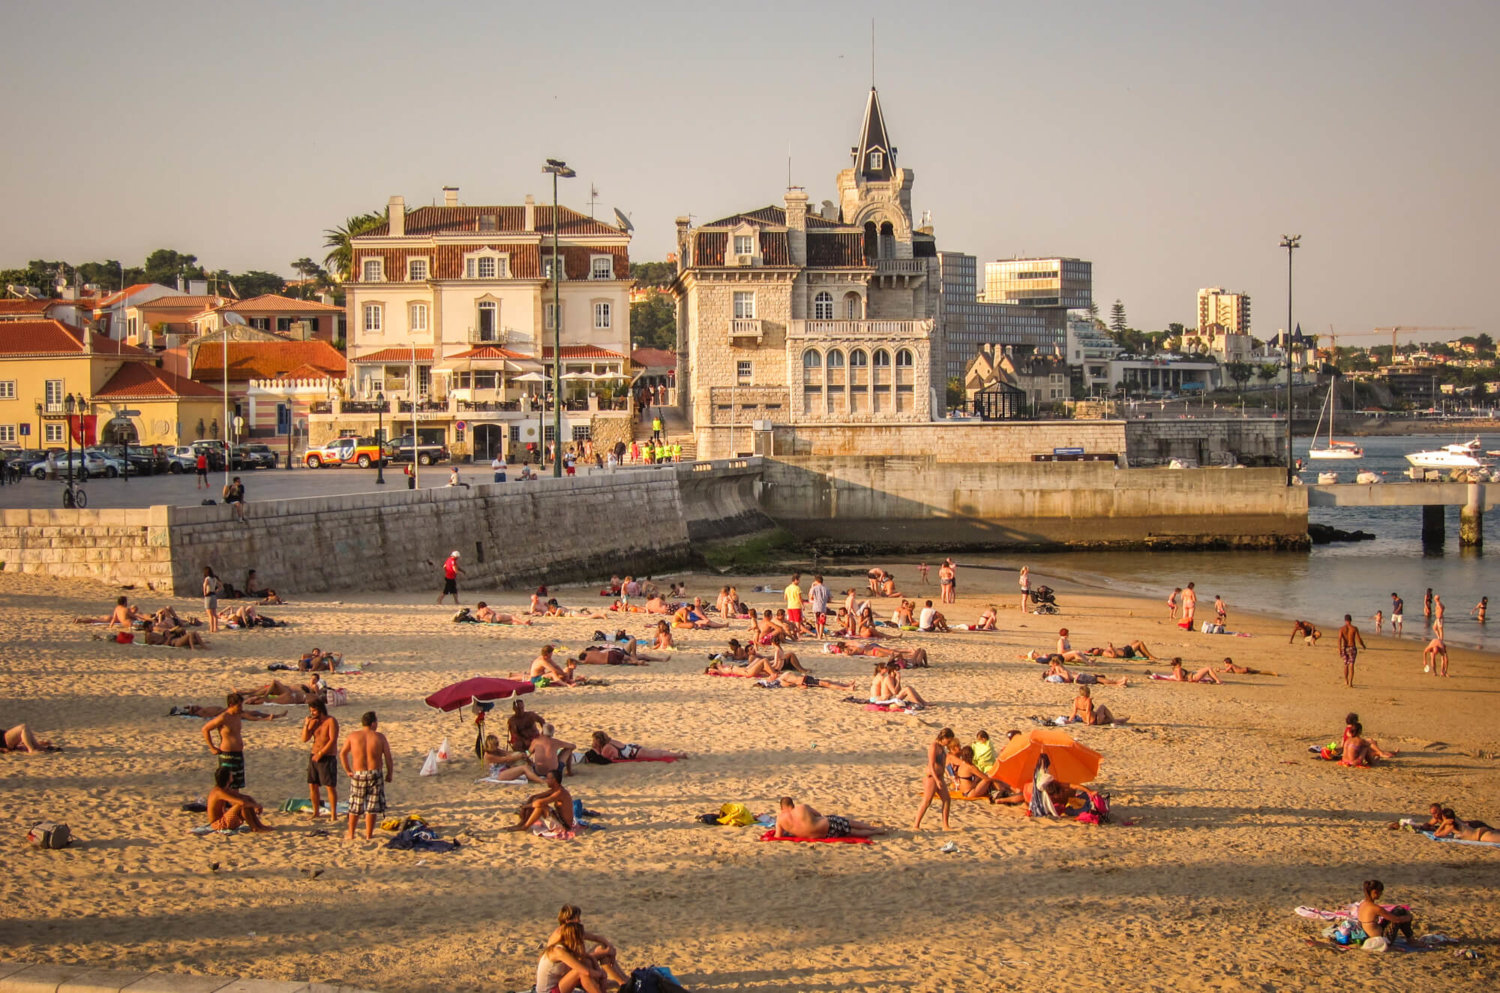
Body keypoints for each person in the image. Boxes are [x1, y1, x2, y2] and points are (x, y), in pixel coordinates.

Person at [340, 711, 393, 840]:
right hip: (375, 773)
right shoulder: (379, 737)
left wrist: (348, 770)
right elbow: (388, 757)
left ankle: (351, 833)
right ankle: (368, 835)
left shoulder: (353, 736)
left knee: (355, 805)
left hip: (358, 774)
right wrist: (389, 773)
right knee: (372, 807)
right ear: (373, 723)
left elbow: (342, 754)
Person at [547, 906, 629, 989]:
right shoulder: (562, 935)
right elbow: (578, 959)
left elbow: (596, 938)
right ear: (568, 921)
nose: (579, 921)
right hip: (563, 973)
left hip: (571, 966)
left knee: (601, 948)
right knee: (589, 962)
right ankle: (622, 982)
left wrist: (610, 947)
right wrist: (605, 953)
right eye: (577, 918)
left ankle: (623, 980)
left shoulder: (571, 931)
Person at [534, 921, 606, 993]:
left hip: (558, 986)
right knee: (580, 972)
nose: (583, 938)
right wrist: (600, 974)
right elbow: (585, 972)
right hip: (547, 991)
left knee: (587, 963)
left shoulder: (568, 947)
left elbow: (586, 957)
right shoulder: (558, 951)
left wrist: (598, 969)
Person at [202, 692, 253, 787]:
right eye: (238, 706)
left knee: (237, 784)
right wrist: (212, 748)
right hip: (227, 755)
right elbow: (205, 729)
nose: (241, 708)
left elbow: (253, 716)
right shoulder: (223, 717)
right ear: (231, 705)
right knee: (227, 785)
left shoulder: (238, 715)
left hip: (238, 754)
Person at [774, 796, 886, 839]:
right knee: (850, 823)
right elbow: (819, 815)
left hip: (826, 835)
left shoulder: (780, 819)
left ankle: (873, 832)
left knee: (852, 832)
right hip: (827, 825)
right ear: (792, 804)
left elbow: (778, 836)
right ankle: (874, 830)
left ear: (782, 807)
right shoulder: (802, 807)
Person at [301, 698, 339, 819]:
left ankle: (333, 814)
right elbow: (304, 739)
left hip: (327, 756)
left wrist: (321, 753)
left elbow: (332, 740)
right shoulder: (314, 722)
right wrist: (307, 724)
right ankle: (316, 811)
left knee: (329, 786)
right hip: (314, 755)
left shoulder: (331, 721)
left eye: (314, 711)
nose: (312, 713)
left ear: (320, 709)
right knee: (312, 785)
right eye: (311, 711)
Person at [913, 727, 956, 831]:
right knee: (927, 801)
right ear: (944, 737)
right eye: (948, 740)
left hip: (939, 777)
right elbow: (931, 765)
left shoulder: (942, 748)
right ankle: (916, 825)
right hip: (932, 778)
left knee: (947, 799)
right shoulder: (934, 747)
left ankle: (945, 825)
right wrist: (936, 780)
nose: (948, 743)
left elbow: (943, 764)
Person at [206, 766, 271, 833]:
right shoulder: (218, 792)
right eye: (231, 775)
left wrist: (255, 804)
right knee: (242, 804)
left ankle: (259, 825)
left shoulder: (225, 789)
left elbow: (245, 797)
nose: (232, 776)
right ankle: (254, 827)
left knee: (245, 800)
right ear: (227, 777)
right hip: (218, 824)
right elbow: (242, 803)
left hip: (224, 818)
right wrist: (256, 806)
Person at [508, 770, 576, 833]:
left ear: (554, 780)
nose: (546, 781)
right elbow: (534, 797)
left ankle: (525, 826)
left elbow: (540, 803)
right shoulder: (555, 789)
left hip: (564, 826)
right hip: (559, 819)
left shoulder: (560, 792)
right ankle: (522, 823)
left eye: (548, 779)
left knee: (540, 807)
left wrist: (525, 806)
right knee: (534, 801)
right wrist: (526, 805)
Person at [1356, 880, 1415, 944]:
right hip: (1381, 939)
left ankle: (1410, 938)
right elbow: (1396, 920)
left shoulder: (1362, 904)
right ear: (1375, 892)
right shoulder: (1375, 908)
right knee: (1400, 911)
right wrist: (1408, 917)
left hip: (1367, 936)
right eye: (1380, 892)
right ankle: (1410, 939)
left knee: (1396, 911)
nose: (1381, 894)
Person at [589, 731, 686, 761]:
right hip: (633, 748)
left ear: (598, 740)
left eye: (594, 740)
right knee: (655, 752)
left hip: (634, 753)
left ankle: (680, 755)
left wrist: (596, 750)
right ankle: (673, 753)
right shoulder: (610, 741)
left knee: (658, 755)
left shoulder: (606, 748)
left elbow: (604, 759)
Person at [1337, 613, 1366, 688]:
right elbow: (1358, 639)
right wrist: (1363, 645)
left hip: (1345, 647)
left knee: (1346, 664)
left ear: (1345, 620)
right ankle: (1350, 682)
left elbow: (1339, 640)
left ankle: (1346, 680)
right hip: (1352, 647)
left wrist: (1339, 649)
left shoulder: (1341, 629)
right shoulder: (1354, 628)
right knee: (1352, 664)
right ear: (1351, 620)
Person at [1154, 657, 1221, 683]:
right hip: (1193, 676)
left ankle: (1216, 680)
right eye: (1180, 662)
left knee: (1208, 668)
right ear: (1178, 663)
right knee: (1208, 668)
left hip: (1192, 674)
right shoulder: (1178, 669)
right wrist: (1189, 679)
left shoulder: (1175, 669)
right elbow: (1180, 679)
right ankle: (1217, 681)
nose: (1181, 663)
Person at [807, 574, 831, 638]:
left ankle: (818, 634)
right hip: (823, 607)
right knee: (822, 622)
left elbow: (810, 597)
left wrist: (812, 586)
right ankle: (820, 634)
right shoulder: (826, 588)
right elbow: (830, 598)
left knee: (817, 621)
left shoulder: (814, 588)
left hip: (816, 607)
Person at [1085, 640, 1157, 661]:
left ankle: (1145, 654)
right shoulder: (1105, 653)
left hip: (1124, 649)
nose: (1100, 649)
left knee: (1136, 641)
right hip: (1126, 653)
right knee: (1140, 643)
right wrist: (1111, 648)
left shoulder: (1104, 650)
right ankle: (1150, 656)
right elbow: (1114, 656)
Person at [202, 566, 222, 633]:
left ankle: (211, 628)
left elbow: (204, 586)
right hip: (214, 595)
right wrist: (216, 591)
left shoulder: (207, 579)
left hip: (209, 596)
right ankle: (215, 628)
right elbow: (220, 586)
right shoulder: (214, 578)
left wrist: (204, 593)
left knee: (210, 614)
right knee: (214, 613)